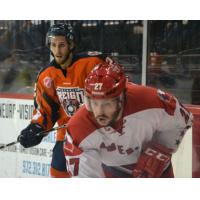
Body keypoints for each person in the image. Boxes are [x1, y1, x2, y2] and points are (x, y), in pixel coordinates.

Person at [63, 61, 193, 178]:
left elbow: (183, 120)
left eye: (107, 104)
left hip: (157, 174)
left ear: (121, 99)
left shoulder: (150, 100)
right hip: (112, 172)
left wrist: (160, 149)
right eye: (94, 103)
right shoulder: (78, 128)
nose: (99, 112)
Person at [17, 23, 104, 177]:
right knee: (58, 172)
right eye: (53, 45)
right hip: (66, 134)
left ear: (71, 44)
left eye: (62, 45)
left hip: (98, 133)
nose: (57, 50)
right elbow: (45, 111)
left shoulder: (93, 64)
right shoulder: (46, 75)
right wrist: (35, 129)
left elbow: (115, 93)